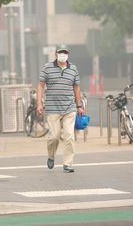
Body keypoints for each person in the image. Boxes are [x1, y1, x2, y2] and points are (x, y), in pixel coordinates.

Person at [36, 45, 84, 173]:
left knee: (69, 136)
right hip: (52, 109)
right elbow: (40, 86)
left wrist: (79, 106)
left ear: (68, 54)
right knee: (54, 136)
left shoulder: (73, 69)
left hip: (69, 108)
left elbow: (77, 88)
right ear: (56, 54)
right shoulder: (47, 68)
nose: (63, 54)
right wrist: (39, 104)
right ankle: (51, 156)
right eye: (60, 52)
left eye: (65, 52)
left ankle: (68, 164)